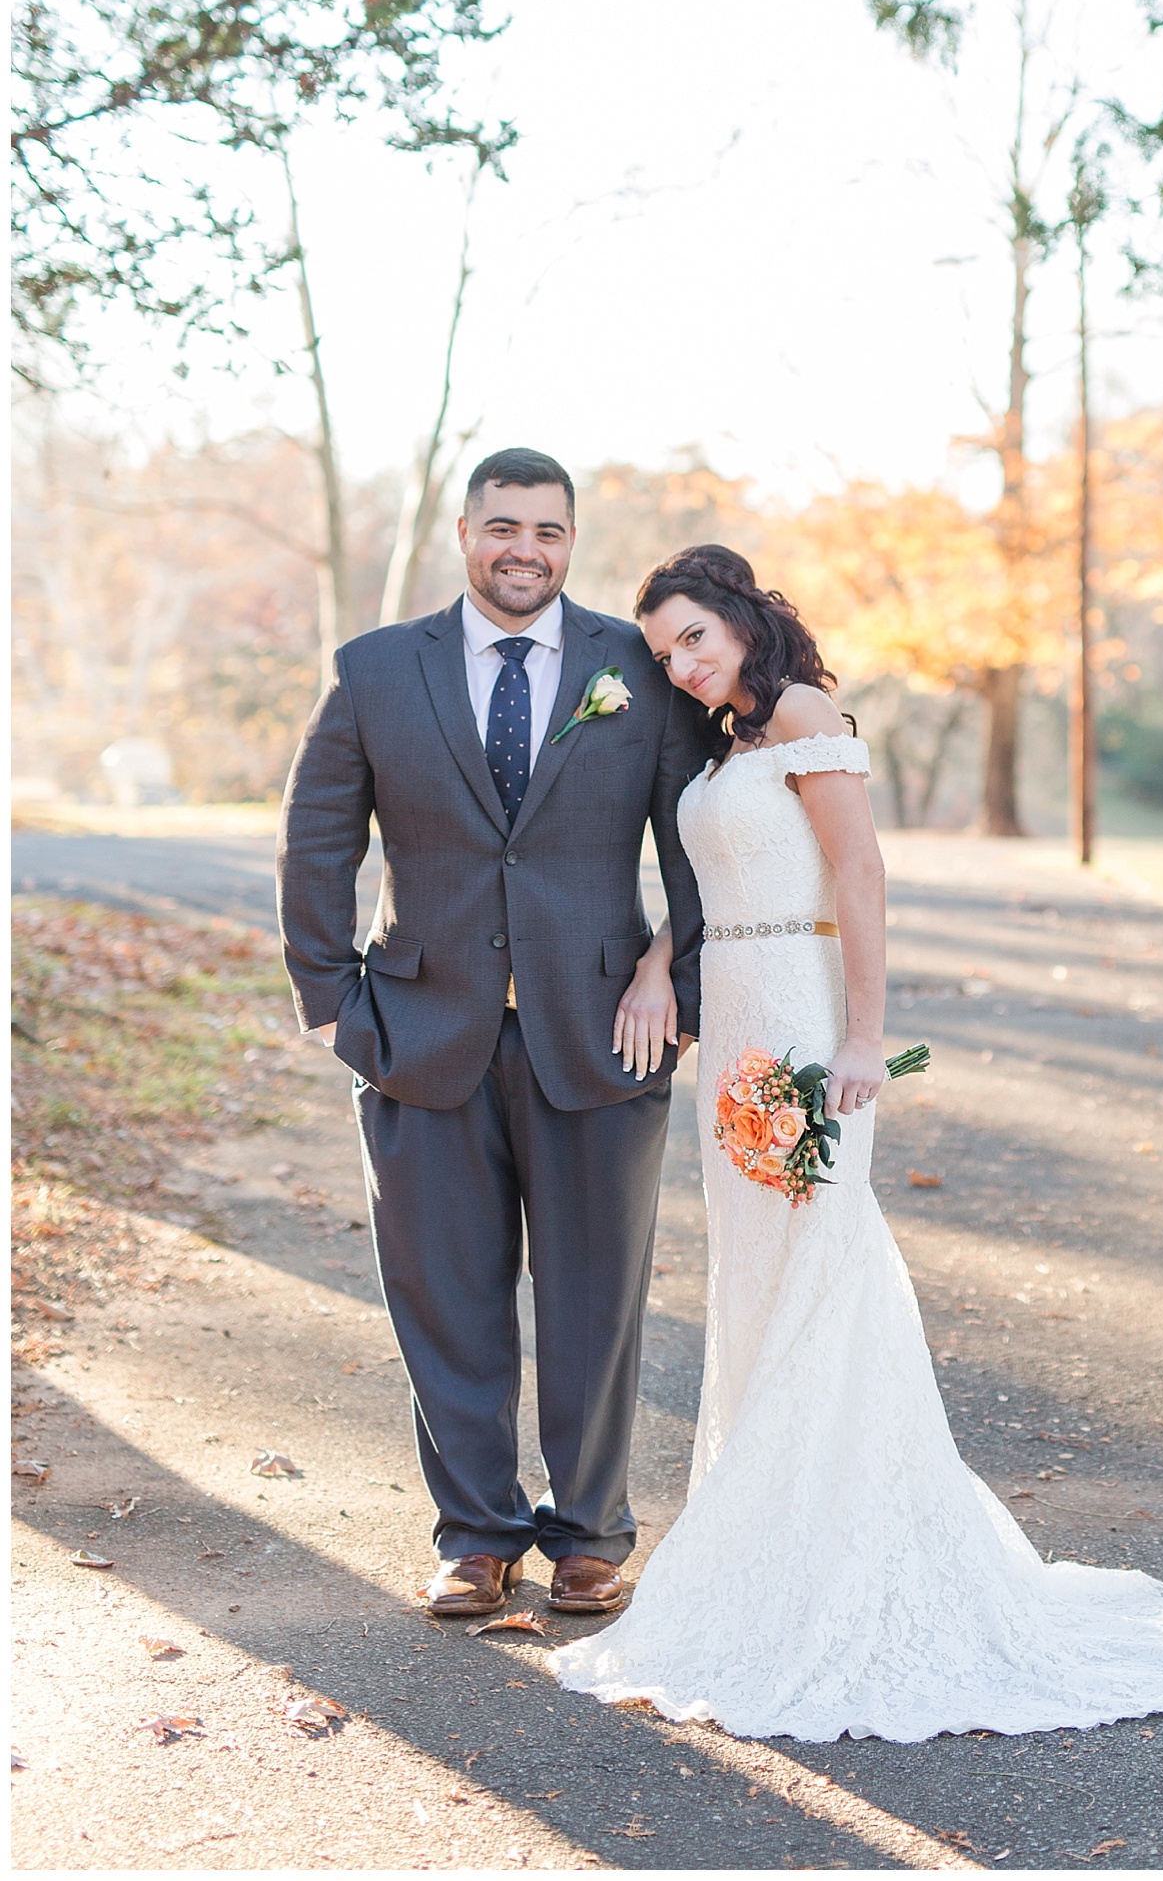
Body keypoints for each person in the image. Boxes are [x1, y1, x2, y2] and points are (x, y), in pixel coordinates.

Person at [552, 543, 1163, 1742]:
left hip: (803, 1017)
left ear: (740, 618)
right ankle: (781, 1528)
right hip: (734, 1019)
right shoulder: (731, 739)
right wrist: (667, 963)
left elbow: (860, 873)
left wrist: (865, 1036)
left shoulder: (808, 713)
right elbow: (713, 887)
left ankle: (834, 1544)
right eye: (664, 650)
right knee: (760, 1277)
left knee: (824, 1266)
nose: (678, 667)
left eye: (694, 640)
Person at [276, 448, 713, 1618]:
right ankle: (475, 1533)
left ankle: (586, 1535)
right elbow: (316, 837)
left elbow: (704, 844)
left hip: (607, 1032)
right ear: (465, 533)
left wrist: (680, 978)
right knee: (445, 1295)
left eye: (550, 531)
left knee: (594, 1299)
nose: (526, 548)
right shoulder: (375, 670)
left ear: (574, 542)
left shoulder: (638, 665)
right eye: (504, 526)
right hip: (420, 1033)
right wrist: (333, 1004)